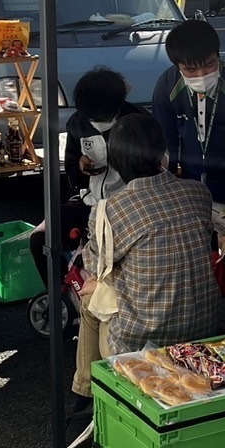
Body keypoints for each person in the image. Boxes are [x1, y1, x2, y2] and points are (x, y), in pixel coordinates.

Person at [66, 113, 219, 448]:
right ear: (163, 153)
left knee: (91, 303)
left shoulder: (110, 209)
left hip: (144, 337)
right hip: (204, 326)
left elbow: (94, 265)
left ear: (116, 163)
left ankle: (88, 395)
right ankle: (88, 396)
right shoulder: (198, 193)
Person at [30, 68, 144, 293]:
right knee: (40, 238)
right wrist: (80, 167)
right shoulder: (77, 124)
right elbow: (72, 171)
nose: (95, 121)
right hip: (89, 204)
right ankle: (61, 297)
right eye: (91, 116)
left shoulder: (138, 123)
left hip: (130, 209)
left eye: (100, 116)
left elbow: (153, 172)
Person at [151, 20, 225, 209]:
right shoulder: (166, 86)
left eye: (209, 65)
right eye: (190, 70)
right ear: (177, 66)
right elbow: (164, 139)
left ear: (218, 55)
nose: (202, 75)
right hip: (188, 186)